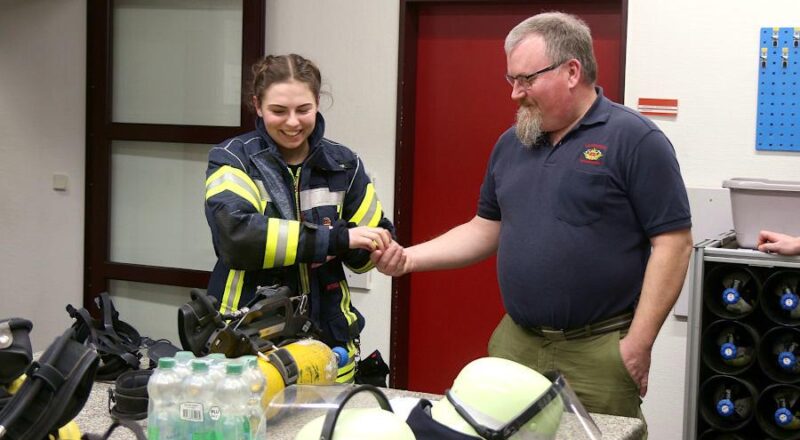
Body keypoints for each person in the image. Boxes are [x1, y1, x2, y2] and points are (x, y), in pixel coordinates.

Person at [372, 11, 693, 432]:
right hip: (516, 343)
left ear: (572, 71)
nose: (515, 94)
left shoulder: (634, 139)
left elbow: (674, 243)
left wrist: (638, 343)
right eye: (511, 81)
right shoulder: (513, 143)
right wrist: (409, 259)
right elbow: (485, 228)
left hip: (598, 349)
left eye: (526, 80)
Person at [204, 54, 394, 383]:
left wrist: (377, 248)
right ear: (257, 105)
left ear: (317, 103)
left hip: (330, 341)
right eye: (279, 111)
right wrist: (336, 239)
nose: (293, 122)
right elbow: (237, 239)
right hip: (247, 341)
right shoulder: (233, 159)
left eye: (303, 109)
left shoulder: (344, 164)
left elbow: (367, 250)